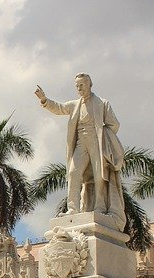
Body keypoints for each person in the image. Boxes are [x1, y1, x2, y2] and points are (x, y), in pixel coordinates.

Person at [34, 73, 126, 230]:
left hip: (97, 143)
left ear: (90, 84)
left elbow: (114, 124)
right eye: (77, 86)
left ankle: (100, 206)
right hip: (80, 143)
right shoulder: (74, 105)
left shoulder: (102, 103)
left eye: (82, 85)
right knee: (73, 173)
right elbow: (58, 108)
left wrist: (104, 136)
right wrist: (44, 100)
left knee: (99, 176)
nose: (79, 88)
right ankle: (73, 208)